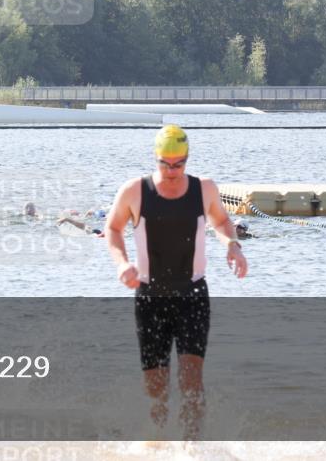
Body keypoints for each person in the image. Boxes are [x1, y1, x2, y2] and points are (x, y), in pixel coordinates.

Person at [105, 124, 248, 440]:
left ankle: (192, 447)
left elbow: (222, 221)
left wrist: (233, 246)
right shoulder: (134, 191)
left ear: (187, 159)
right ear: (155, 158)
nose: (171, 171)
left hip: (192, 295)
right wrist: (122, 263)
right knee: (156, 389)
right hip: (150, 298)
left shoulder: (204, 189)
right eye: (165, 164)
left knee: (191, 378)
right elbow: (113, 229)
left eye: (178, 164)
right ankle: (157, 445)